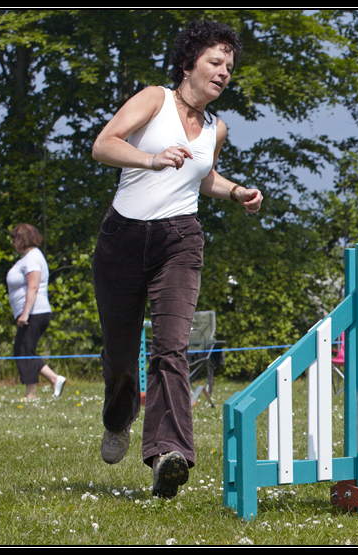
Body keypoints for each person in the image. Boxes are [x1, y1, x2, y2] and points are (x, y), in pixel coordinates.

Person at [90, 20, 262, 499]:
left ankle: (170, 455)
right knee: (121, 356)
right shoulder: (154, 99)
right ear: (189, 63)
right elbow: (103, 145)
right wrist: (151, 159)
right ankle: (118, 419)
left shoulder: (216, 128)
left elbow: (203, 178)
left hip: (180, 240)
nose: (225, 72)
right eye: (215, 62)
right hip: (122, 238)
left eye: (230, 66)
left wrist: (236, 191)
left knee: (171, 349)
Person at [6, 223, 66, 400]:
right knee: (23, 350)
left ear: (21, 239)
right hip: (33, 312)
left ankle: (31, 394)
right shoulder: (28, 257)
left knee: (24, 351)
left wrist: (25, 313)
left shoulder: (32, 258)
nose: (13, 243)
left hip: (34, 313)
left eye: (14, 239)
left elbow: (33, 287)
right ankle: (54, 378)